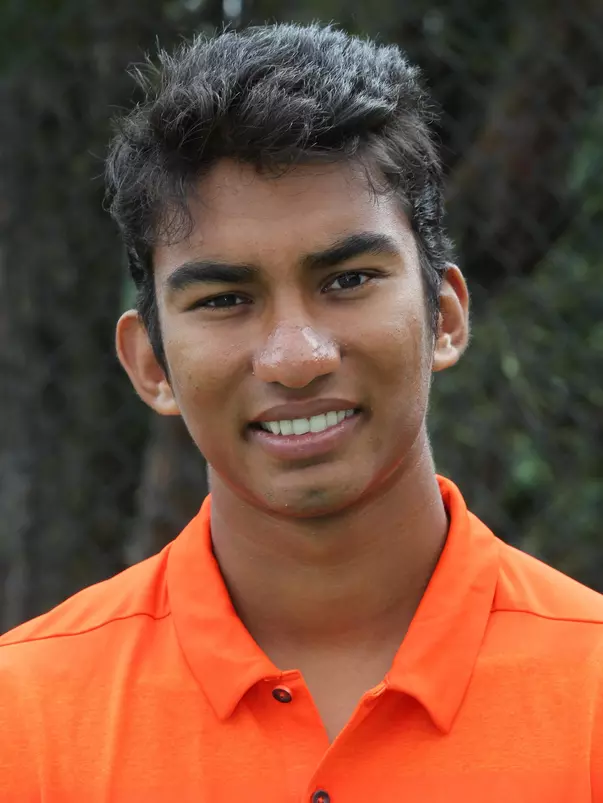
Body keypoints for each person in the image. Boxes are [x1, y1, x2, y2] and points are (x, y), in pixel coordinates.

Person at [1, 22, 602, 802]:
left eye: (347, 280)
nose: (295, 357)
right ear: (151, 364)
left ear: (445, 317)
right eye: (225, 299)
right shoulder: (26, 716)